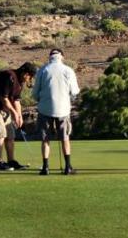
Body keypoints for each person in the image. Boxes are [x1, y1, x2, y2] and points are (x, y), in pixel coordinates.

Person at [0, 61, 37, 171]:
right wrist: (14, 113)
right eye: (30, 77)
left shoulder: (20, 82)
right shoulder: (9, 76)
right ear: (25, 73)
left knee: (10, 134)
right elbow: (3, 98)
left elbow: (16, 100)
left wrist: (19, 115)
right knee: (0, 133)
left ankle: (11, 161)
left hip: (4, 108)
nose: (30, 80)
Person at [32, 48, 80, 176]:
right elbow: (74, 91)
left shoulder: (42, 70)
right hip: (63, 109)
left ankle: (45, 167)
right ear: (62, 57)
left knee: (45, 139)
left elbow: (35, 93)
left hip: (44, 108)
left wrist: (40, 100)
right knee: (65, 138)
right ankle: (67, 167)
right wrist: (69, 99)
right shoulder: (68, 70)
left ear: (50, 57)